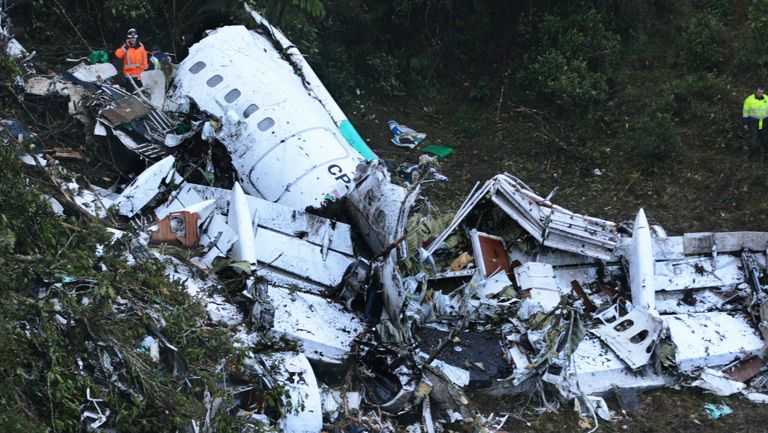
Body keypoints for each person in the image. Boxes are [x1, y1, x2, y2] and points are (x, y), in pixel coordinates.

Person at [743, 84, 768, 161]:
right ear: (755, 91)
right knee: (753, 141)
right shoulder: (749, 100)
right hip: (753, 122)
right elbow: (745, 112)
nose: (761, 94)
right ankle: (752, 157)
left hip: (765, 122)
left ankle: (765, 157)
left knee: (765, 140)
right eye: (759, 92)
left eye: (762, 92)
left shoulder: (767, 98)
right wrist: (745, 123)